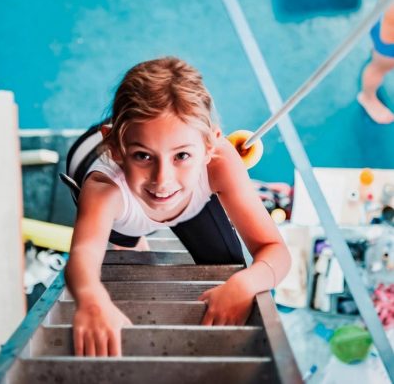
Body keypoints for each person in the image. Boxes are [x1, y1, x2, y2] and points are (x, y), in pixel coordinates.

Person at [64, 57, 291, 357]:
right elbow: (84, 253)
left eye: (182, 156)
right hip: (119, 200)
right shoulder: (104, 190)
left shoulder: (220, 162)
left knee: (228, 265)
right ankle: (135, 236)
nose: (163, 180)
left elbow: (275, 249)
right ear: (117, 150)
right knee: (130, 254)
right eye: (143, 156)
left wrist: (247, 284)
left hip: (180, 187)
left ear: (211, 146)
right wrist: (92, 300)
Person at [357, 0, 394, 124]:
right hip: (388, 42)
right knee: (379, 66)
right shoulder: (392, 7)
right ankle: (367, 97)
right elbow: (388, 38)